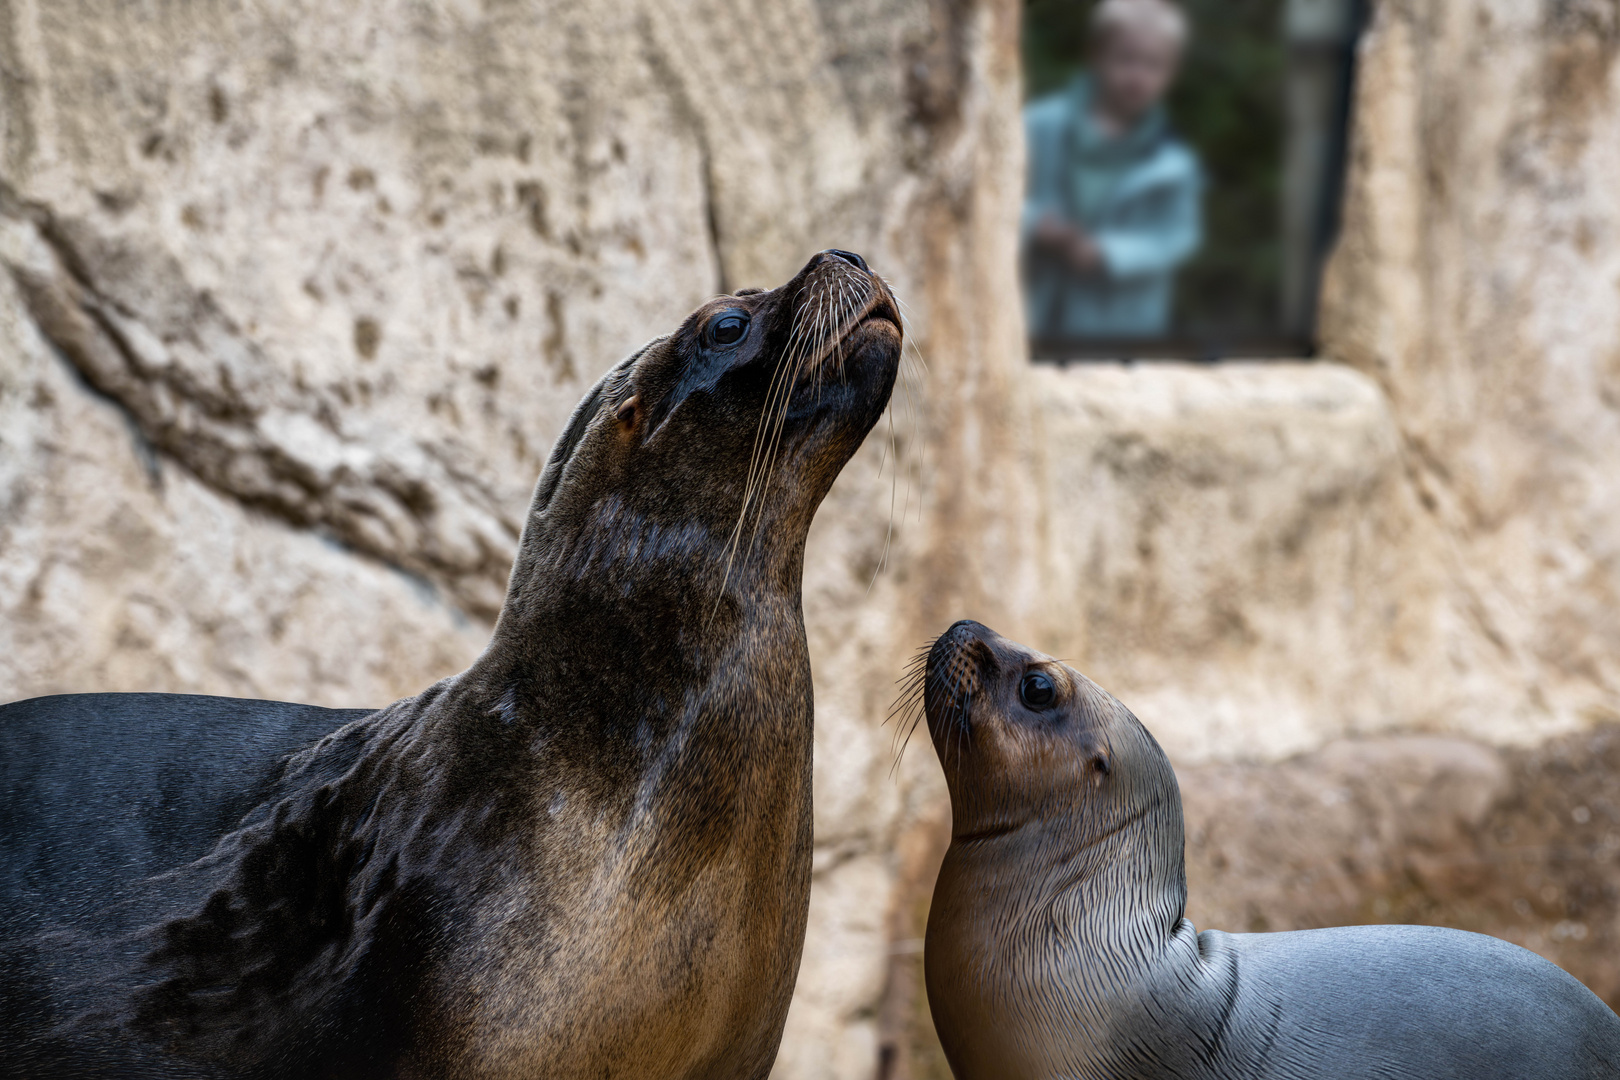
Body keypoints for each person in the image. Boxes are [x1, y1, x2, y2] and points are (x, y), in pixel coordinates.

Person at [1023, 0, 1202, 340]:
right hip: (1035, 317)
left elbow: (1177, 237)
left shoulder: (1173, 159)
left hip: (1121, 329)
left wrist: (1107, 253)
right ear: (1095, 56)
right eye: (1125, 59)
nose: (1138, 76)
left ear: (1171, 72)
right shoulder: (1039, 126)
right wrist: (1036, 226)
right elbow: (993, 203)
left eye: (1153, 65)